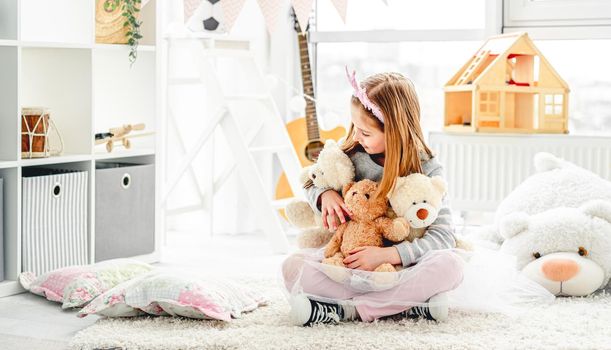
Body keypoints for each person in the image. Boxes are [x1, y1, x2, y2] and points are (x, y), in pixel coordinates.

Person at [282, 68, 465, 326]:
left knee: (451, 266)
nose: (356, 136)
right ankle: (402, 306)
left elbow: (444, 236)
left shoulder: (427, 169)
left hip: (400, 269)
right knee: (292, 267)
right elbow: (312, 179)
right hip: (350, 266)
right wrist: (325, 194)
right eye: (355, 127)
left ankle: (350, 309)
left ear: (394, 132)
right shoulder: (353, 155)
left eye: (365, 133)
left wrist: (390, 256)